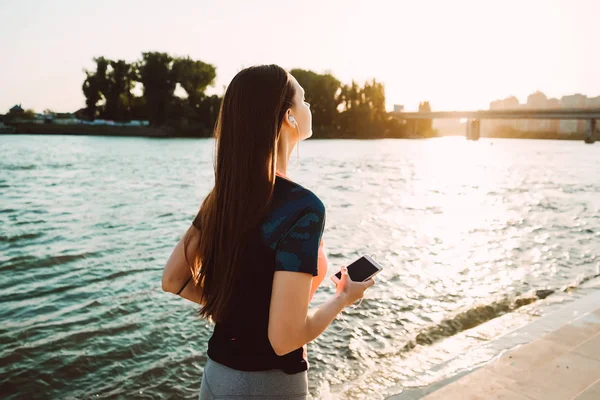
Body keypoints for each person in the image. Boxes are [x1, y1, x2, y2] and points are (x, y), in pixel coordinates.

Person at [161, 64, 375, 400]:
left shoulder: (224, 198)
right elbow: (285, 339)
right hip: (266, 384)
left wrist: (233, 307)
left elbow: (174, 280)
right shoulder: (302, 208)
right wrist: (342, 299)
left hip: (216, 377)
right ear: (289, 117)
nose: (309, 108)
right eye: (304, 101)